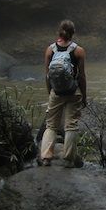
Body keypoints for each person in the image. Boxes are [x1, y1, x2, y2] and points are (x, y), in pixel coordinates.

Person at [38, 20, 87, 168]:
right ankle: (68, 159)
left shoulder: (50, 50)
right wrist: (84, 95)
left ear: (59, 32)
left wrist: (50, 92)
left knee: (51, 125)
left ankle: (46, 157)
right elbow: (82, 76)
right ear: (73, 33)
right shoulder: (79, 51)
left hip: (56, 92)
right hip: (73, 92)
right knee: (71, 125)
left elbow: (47, 75)